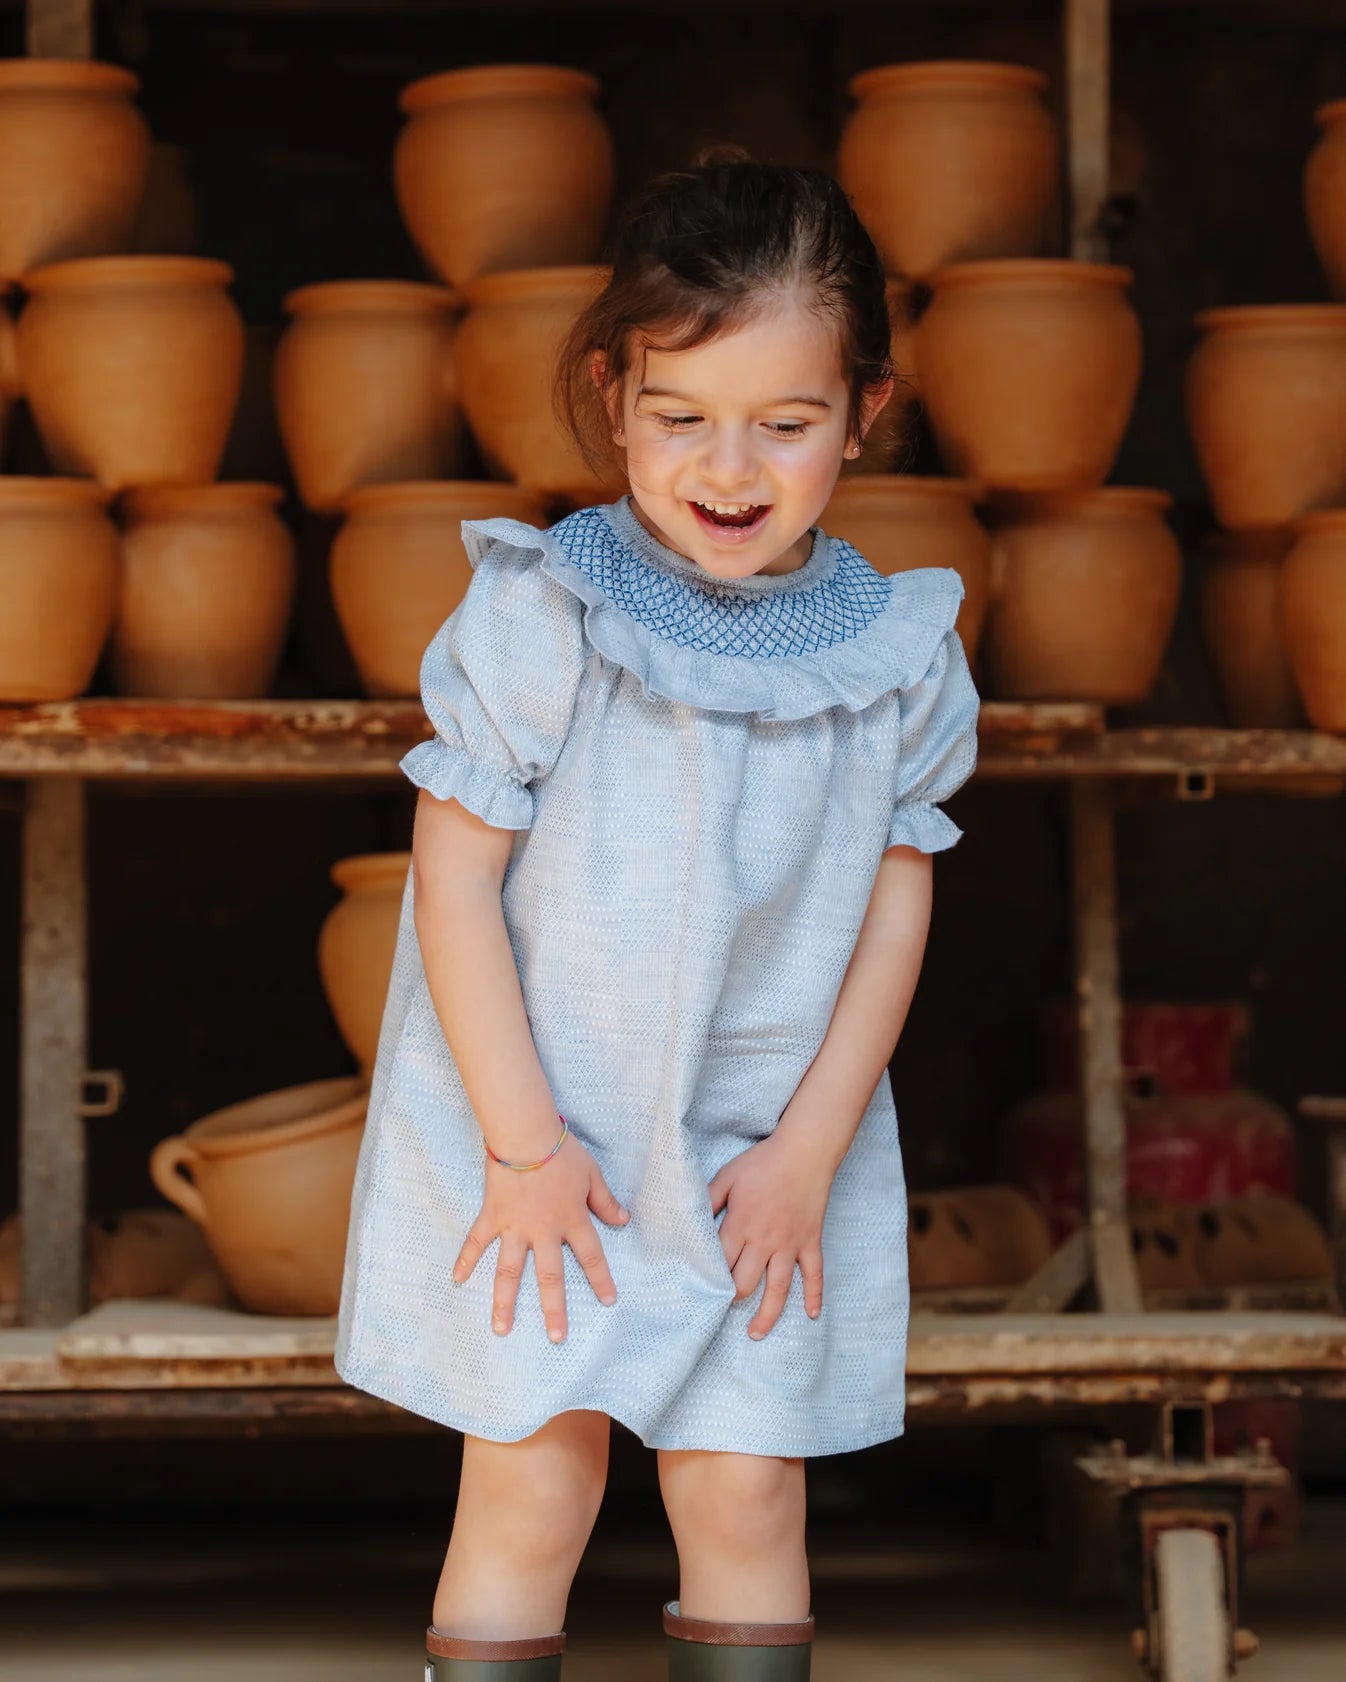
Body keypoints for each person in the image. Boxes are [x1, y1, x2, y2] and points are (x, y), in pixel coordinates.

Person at [335, 154, 980, 1682]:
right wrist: (520, 1147)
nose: (729, 466)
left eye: (789, 422)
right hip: (544, 1132)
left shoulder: (895, 656)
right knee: (535, 1476)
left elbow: (896, 911)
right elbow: (454, 878)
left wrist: (812, 1151)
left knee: (747, 1481)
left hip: (762, 1140)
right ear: (615, 396)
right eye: (682, 416)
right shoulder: (540, 611)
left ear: (867, 413)